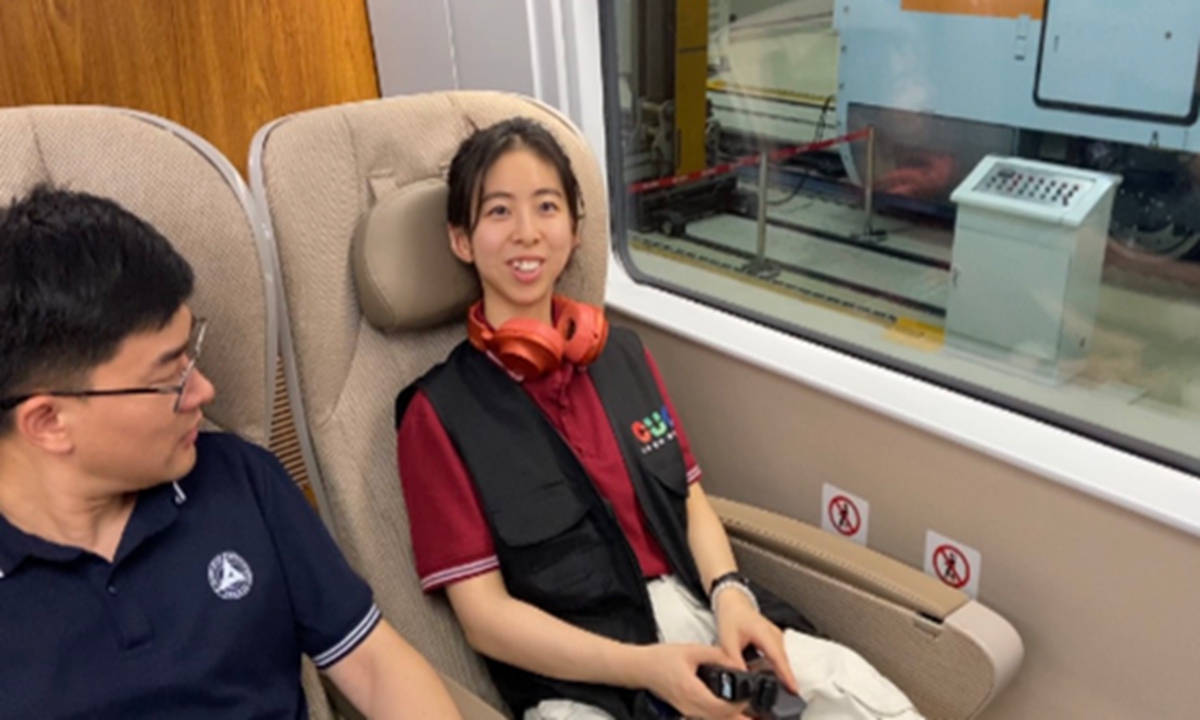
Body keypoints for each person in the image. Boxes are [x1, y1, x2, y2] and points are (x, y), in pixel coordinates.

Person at [396, 118, 925, 720]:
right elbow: (487, 621)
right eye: (498, 212)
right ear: (461, 239)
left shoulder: (622, 355)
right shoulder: (438, 414)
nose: (526, 233)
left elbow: (691, 500)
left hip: (704, 615)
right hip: (583, 674)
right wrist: (648, 667)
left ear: (573, 228)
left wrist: (730, 595)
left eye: (546, 206)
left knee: (860, 695)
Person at [0, 186, 462, 720]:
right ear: (49, 422)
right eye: (168, 377)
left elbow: (377, 669)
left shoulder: (241, 481)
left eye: (189, 354)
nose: (203, 391)